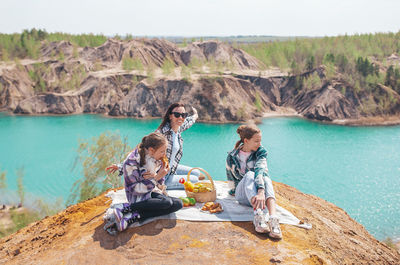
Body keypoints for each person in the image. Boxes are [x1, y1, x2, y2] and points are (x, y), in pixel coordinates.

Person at [112, 132, 183, 232]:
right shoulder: (131, 162)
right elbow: (135, 189)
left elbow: (157, 181)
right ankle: (125, 208)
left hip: (151, 191)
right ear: (151, 150)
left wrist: (159, 176)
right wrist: (156, 177)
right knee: (166, 202)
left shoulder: (156, 159)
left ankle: (132, 218)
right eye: (162, 151)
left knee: (178, 204)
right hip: (137, 197)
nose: (165, 154)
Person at [226, 124, 282, 239]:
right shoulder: (232, 156)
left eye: (260, 141)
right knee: (250, 174)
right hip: (243, 196)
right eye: (256, 141)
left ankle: (273, 218)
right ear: (246, 141)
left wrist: (260, 191)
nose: (260, 144)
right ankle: (258, 215)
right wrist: (233, 190)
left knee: (265, 177)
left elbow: (260, 170)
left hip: (259, 198)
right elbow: (229, 175)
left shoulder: (261, 152)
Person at [156, 103, 203, 190]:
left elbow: (189, 121)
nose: (181, 118)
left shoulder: (178, 129)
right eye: (177, 115)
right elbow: (145, 149)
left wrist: (195, 115)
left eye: (183, 115)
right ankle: (163, 184)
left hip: (172, 168)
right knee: (194, 180)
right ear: (170, 116)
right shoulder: (162, 133)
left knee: (196, 172)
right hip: (163, 177)